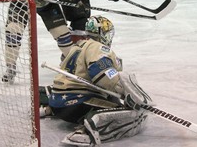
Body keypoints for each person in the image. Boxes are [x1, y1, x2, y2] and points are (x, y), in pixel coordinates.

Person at [39, 15, 153, 146]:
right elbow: (101, 74)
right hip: (78, 104)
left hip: (57, 103)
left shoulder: (76, 46)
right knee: (128, 112)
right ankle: (85, 131)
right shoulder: (99, 48)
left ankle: (48, 108)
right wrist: (125, 92)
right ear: (101, 32)